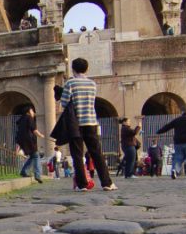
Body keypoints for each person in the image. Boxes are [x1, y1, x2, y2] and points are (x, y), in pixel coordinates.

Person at [51, 58, 116, 191]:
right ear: (87, 69)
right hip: (91, 121)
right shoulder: (92, 84)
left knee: (77, 154)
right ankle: (107, 183)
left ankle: (82, 184)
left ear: (73, 69)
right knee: (97, 153)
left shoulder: (71, 83)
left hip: (76, 123)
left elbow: (64, 103)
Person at [156, 106, 186, 179]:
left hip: (178, 142)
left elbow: (167, 126)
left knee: (178, 157)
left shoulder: (177, 120)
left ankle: (174, 169)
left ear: (182, 112)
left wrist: (159, 131)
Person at [15, 104, 45, 183]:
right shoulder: (29, 118)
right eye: (32, 110)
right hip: (29, 140)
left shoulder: (21, 120)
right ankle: (37, 175)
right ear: (28, 111)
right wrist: (41, 135)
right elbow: (34, 130)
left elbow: (18, 133)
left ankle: (23, 171)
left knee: (32, 156)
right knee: (36, 156)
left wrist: (18, 146)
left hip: (22, 141)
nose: (33, 112)